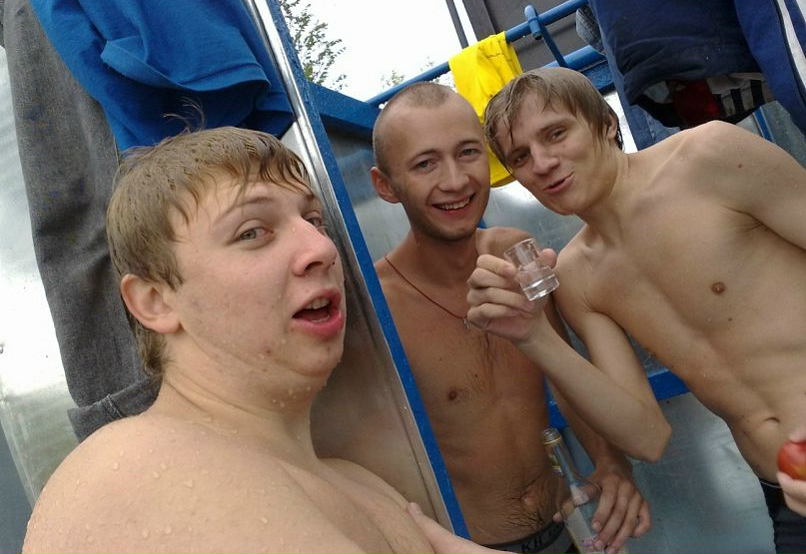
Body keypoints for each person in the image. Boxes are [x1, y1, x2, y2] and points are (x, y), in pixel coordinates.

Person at [21, 126, 502, 554]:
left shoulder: (359, 482)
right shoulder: (135, 469)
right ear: (155, 302)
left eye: (313, 220)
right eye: (252, 232)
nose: (322, 247)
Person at [476, 67, 806, 553]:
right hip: (785, 495)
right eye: (521, 156)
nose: (542, 163)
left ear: (606, 122)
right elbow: (647, 437)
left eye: (556, 133)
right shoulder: (579, 276)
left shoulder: (709, 156)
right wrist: (534, 337)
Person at [370, 82, 671, 554]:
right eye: (425, 163)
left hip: (566, 530)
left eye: (468, 153)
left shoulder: (516, 253)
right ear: (386, 186)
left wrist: (611, 464)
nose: (456, 180)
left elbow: (563, 374)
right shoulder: (375, 310)